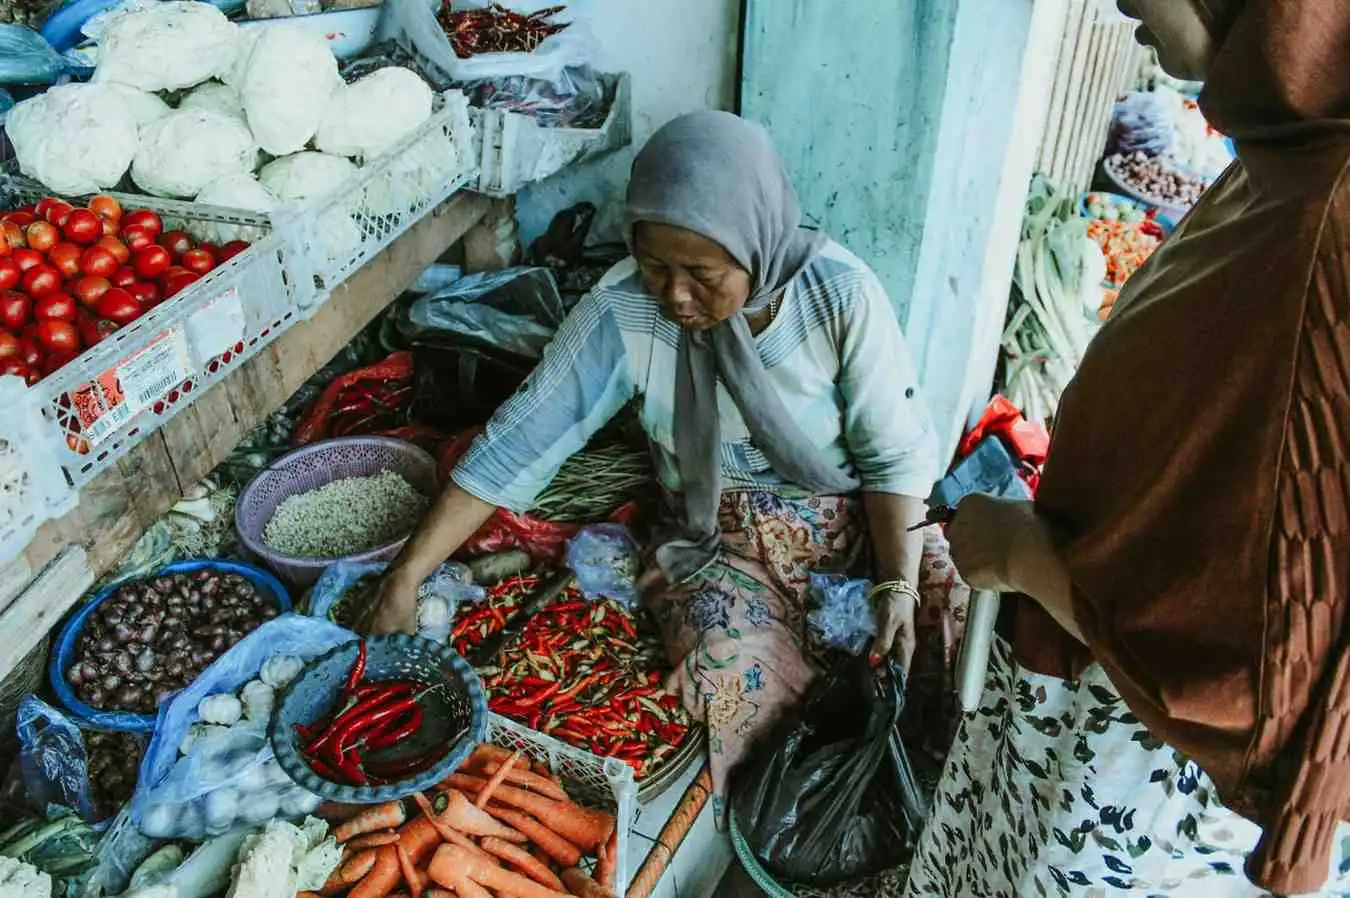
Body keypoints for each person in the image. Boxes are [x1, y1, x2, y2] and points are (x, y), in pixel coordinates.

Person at [367, 110, 945, 816]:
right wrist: (407, 576)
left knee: (951, 616)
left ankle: (935, 791)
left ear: (757, 242)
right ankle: (817, 811)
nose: (674, 295)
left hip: (856, 522)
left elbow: (893, 461)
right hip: (714, 541)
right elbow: (516, 444)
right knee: (730, 677)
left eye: (702, 273)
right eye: (655, 266)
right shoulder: (622, 310)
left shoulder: (838, 296)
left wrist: (896, 586)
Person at [906, 0, 1350, 895]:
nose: (1116, 2)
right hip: (1088, 704)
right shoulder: (1287, 163)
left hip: (1142, 780)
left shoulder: (1330, 221)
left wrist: (1029, 560)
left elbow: (1259, 684)